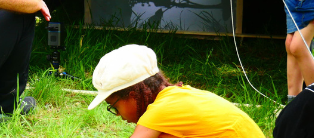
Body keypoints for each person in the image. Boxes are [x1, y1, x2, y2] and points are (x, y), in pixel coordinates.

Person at [87, 45, 265, 138]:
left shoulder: (161, 111)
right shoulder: (176, 97)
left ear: (132, 96)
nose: (117, 115)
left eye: (114, 107)